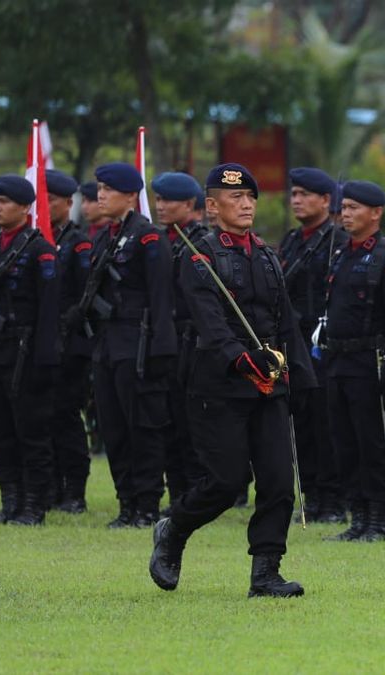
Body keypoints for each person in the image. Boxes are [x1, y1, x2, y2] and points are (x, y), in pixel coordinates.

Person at [149, 163, 316, 597]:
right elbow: (210, 323)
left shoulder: (265, 253)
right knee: (225, 483)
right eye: (236, 198)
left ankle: (265, 573)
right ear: (211, 205)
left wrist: (301, 377)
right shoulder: (198, 254)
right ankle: (175, 529)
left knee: (279, 480)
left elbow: (286, 323)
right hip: (220, 383)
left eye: (250, 198)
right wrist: (242, 360)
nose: (245, 205)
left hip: (270, 384)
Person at [82, 163, 177, 528]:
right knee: (114, 428)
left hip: (139, 346)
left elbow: (160, 297)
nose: (100, 195)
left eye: (107, 189)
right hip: (107, 345)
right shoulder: (106, 236)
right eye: (99, 188)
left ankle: (147, 506)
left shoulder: (148, 237)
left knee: (143, 429)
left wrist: (161, 352)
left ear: (129, 195)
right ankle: (126, 505)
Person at [320, 180, 385, 542]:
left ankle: (378, 519)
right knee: (344, 442)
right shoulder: (342, 254)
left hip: (369, 362)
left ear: (376, 213)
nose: (346, 214)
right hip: (338, 360)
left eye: (355, 208)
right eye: (344, 208)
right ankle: (357, 517)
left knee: (372, 443)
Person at [0, 176, 61, 525]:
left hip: (24, 354)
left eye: (4, 202)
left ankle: (34, 505)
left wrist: (45, 360)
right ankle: (10, 500)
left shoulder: (39, 249)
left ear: (26, 207)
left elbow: (49, 311)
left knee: (30, 432)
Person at [278, 167, 347, 523]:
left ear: (325, 201)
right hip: (293, 343)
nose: (297, 200)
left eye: (305, 195)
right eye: (294, 194)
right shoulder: (292, 241)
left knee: (325, 423)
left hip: (323, 343)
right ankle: (312, 495)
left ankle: (332, 499)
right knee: (301, 421)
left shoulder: (337, 240)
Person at [151, 171, 209, 515]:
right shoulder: (162, 240)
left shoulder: (200, 241)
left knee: (192, 424)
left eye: (167, 200)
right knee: (168, 421)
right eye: (157, 199)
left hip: (193, 342)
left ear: (189, 204)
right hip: (167, 340)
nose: (160, 206)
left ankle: (195, 495)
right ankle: (177, 495)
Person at [45, 170, 93, 514]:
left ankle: (74, 491)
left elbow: (83, 295)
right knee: (42, 417)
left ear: (67, 202)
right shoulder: (37, 241)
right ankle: (50, 486)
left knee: (66, 416)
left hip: (71, 344)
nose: (44, 206)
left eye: (50, 200)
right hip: (41, 345)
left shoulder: (78, 243)